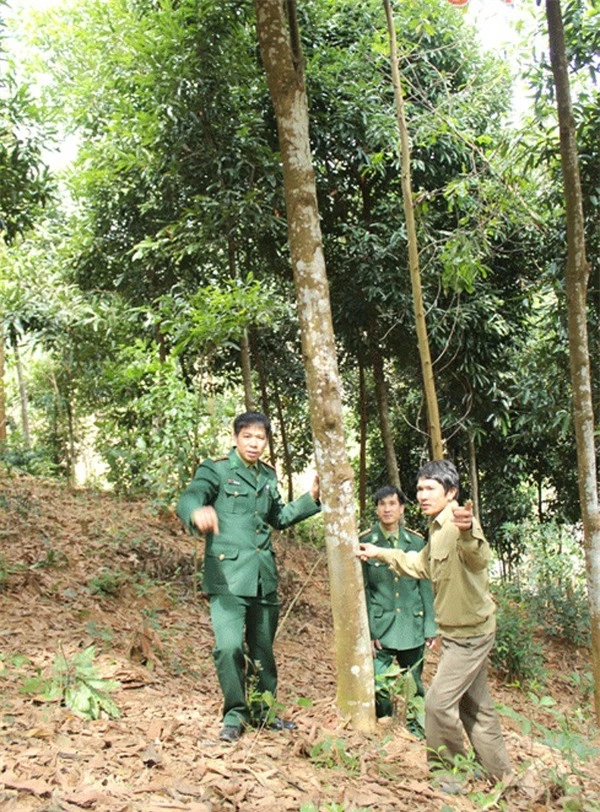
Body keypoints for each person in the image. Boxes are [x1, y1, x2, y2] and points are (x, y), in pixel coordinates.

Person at [357, 460, 513, 785]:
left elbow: (479, 555)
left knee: (438, 705)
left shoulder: (459, 524)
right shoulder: (436, 528)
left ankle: (450, 779)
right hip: (459, 633)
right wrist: (378, 552)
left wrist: (469, 530)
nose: (422, 495)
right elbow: (420, 564)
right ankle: (502, 777)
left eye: (430, 488)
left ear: (451, 492)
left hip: (470, 635)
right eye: (419, 489)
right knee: (476, 709)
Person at [177, 411, 321, 743]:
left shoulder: (268, 475)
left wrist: (311, 499)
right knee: (228, 648)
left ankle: (262, 712)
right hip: (227, 576)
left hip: (263, 577)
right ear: (236, 437)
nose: (254, 443)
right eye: (248, 437)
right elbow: (192, 495)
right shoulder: (217, 469)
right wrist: (194, 512)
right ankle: (234, 713)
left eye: (260, 438)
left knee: (263, 651)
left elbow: (278, 517)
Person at [360, 485, 437, 736]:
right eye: (382, 504)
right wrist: (367, 632)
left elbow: (425, 586)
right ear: (376, 508)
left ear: (402, 508)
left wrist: (430, 627)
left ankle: (417, 728)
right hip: (380, 625)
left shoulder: (415, 541)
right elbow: (362, 590)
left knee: (414, 681)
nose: (387, 509)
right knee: (379, 681)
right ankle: (384, 722)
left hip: (411, 623)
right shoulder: (365, 541)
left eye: (392, 504)